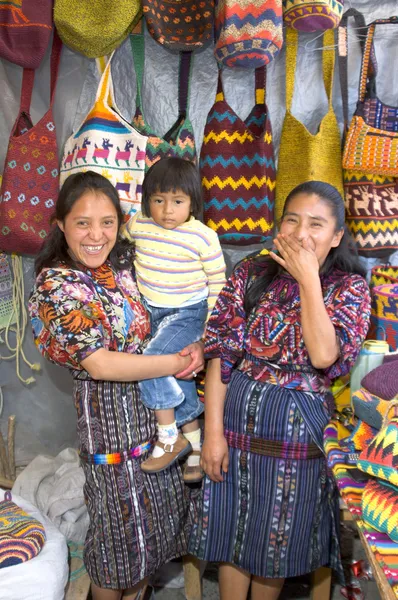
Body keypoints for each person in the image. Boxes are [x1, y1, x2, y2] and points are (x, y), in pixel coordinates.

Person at [189, 181, 371, 600]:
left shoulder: (350, 289)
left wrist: (309, 278)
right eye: (292, 219)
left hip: (298, 437)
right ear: (279, 224)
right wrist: (212, 433)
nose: (302, 233)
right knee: (234, 532)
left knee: (277, 540)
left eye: (317, 224)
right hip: (235, 426)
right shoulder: (251, 272)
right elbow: (220, 351)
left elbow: (325, 356)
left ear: (337, 236)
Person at [28, 171, 205, 600]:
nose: (96, 234)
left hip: (157, 430)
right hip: (110, 432)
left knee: (150, 543)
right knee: (115, 548)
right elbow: (100, 363)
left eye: (107, 222)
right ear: (60, 225)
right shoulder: (56, 284)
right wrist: (175, 361)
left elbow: (169, 314)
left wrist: (194, 343)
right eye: (83, 222)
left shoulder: (125, 268)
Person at [121, 157, 226, 481]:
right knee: (179, 373)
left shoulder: (203, 237)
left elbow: (217, 285)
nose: (167, 210)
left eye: (177, 201)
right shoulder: (139, 224)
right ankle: (194, 445)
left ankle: (168, 437)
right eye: (158, 200)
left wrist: (209, 331)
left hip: (187, 313)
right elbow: (121, 245)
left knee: (152, 361)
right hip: (152, 312)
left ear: (192, 202)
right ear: (146, 199)